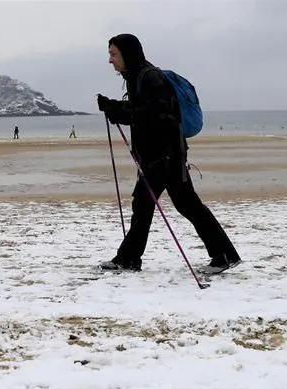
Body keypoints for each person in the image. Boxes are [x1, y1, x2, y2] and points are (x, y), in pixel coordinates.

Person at [95, 33, 241, 274]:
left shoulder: (150, 77)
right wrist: (114, 107)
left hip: (164, 156)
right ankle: (223, 255)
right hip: (160, 155)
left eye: (113, 54)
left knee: (157, 205)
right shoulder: (136, 77)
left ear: (127, 54)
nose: (110, 60)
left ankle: (130, 259)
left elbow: (156, 114)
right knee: (166, 205)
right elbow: (141, 110)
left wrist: (119, 111)